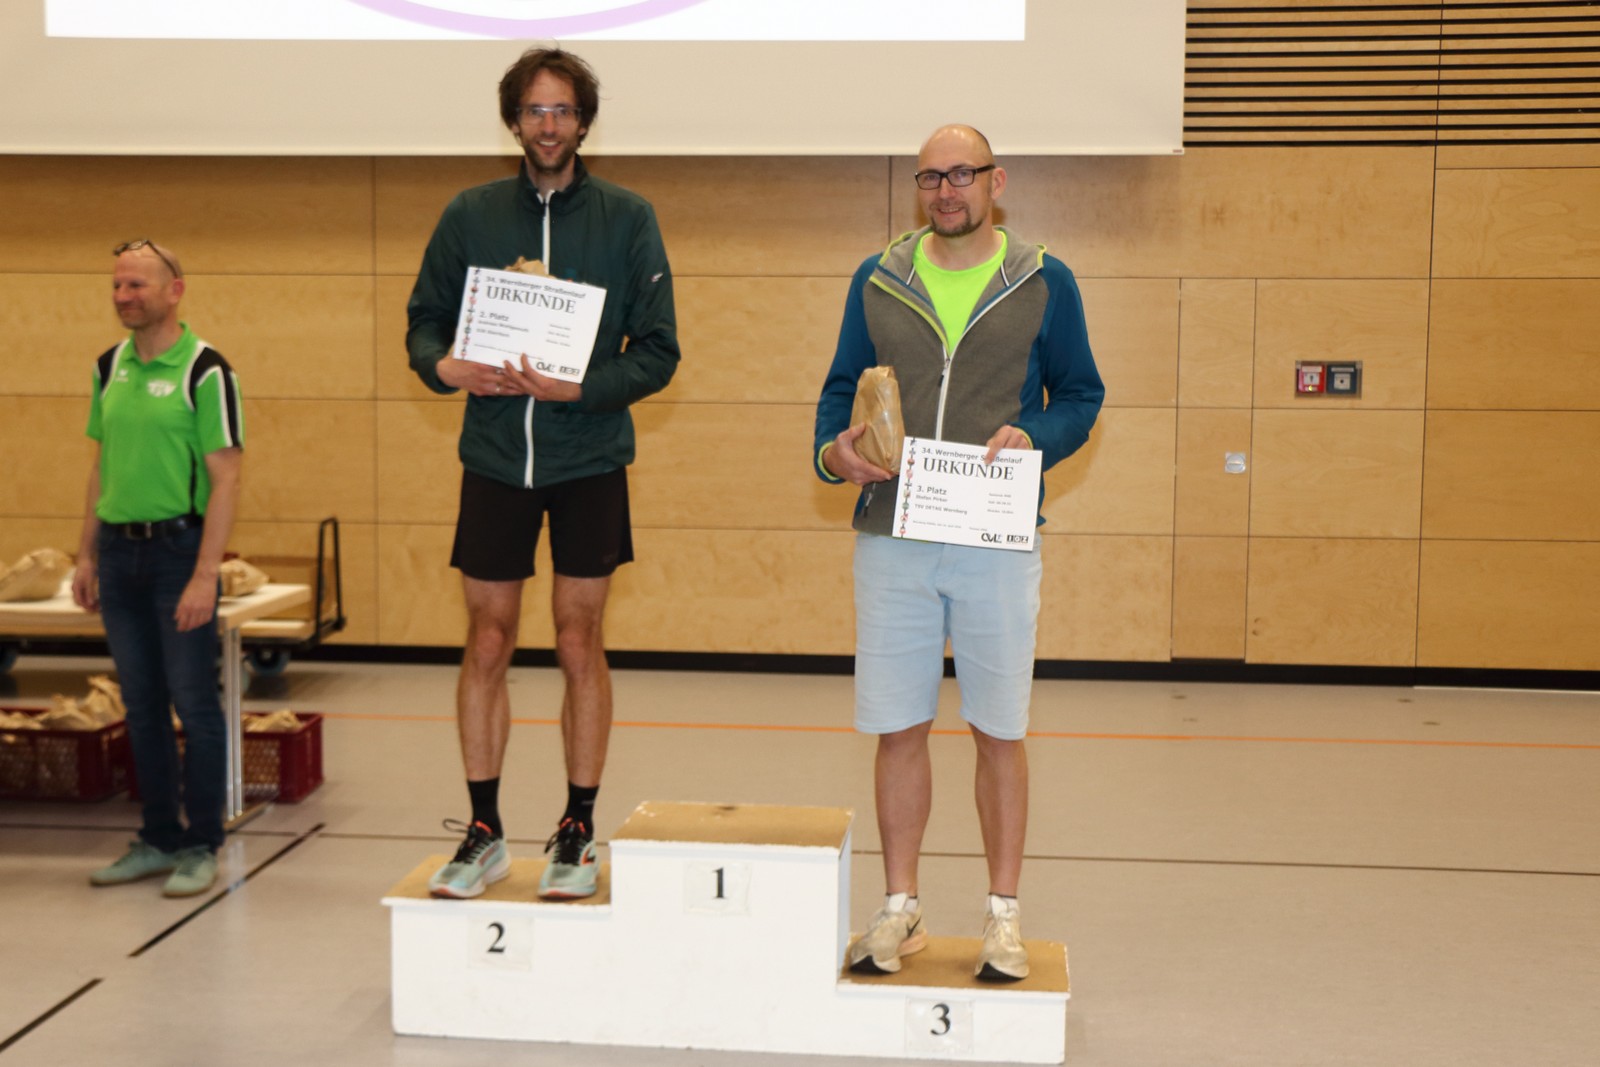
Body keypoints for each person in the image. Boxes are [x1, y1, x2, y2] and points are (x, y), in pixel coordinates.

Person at [813, 125, 1104, 980]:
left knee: (999, 730)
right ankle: (900, 906)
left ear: (995, 181)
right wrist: (834, 454)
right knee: (898, 727)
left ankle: (1002, 915)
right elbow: (840, 390)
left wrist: (1038, 436)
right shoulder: (878, 278)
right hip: (893, 536)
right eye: (931, 177)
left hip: (995, 540)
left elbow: (1080, 394)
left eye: (962, 174)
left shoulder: (1045, 280)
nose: (947, 190)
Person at [406, 47, 680, 900]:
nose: (549, 124)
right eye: (535, 110)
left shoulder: (628, 218)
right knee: (487, 638)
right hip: (494, 459)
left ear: (583, 121)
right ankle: (484, 829)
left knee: (577, 638)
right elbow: (423, 324)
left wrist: (581, 389)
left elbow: (659, 352)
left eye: (563, 110)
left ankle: (576, 827)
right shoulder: (470, 214)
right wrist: (445, 366)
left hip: (589, 459)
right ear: (514, 121)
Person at [76, 239, 244, 898]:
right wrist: (86, 553)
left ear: (174, 291)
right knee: (141, 705)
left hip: (179, 553)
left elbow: (226, 479)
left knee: (193, 703)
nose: (124, 296)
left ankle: (202, 843)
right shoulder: (107, 366)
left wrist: (205, 573)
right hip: (119, 555)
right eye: (118, 285)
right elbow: (101, 465)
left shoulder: (207, 371)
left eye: (137, 285)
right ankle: (157, 837)